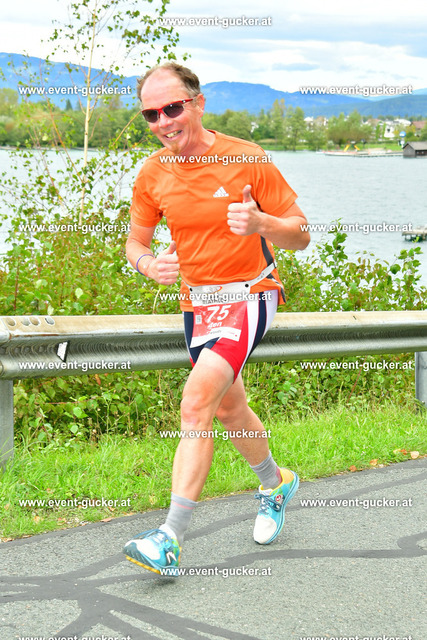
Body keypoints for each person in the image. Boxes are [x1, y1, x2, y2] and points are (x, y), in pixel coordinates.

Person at [123, 62, 310, 576]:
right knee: (228, 409)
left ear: (198, 103)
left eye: (173, 108)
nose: (163, 121)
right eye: (151, 114)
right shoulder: (153, 173)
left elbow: (300, 233)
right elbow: (135, 242)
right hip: (197, 305)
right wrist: (149, 264)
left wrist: (262, 222)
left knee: (195, 402)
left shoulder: (246, 158)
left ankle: (169, 538)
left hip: (251, 295)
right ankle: (276, 483)